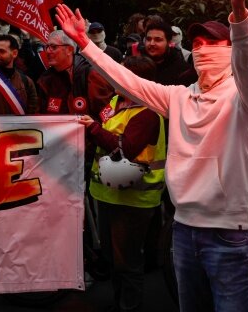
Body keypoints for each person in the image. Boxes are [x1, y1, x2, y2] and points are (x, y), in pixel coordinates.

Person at [56, 0, 248, 311]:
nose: (201, 50)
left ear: (228, 50)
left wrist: (238, 11)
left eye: (212, 43)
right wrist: (85, 45)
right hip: (183, 230)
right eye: (196, 43)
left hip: (229, 234)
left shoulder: (246, 98)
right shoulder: (179, 97)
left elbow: (247, 62)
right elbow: (130, 83)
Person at [78, 55, 166, 312]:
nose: (114, 77)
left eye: (121, 74)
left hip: (133, 201)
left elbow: (124, 148)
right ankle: (121, 302)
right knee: (114, 258)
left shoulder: (147, 113)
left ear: (136, 82)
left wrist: (93, 128)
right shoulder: (117, 102)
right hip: (109, 195)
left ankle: (130, 305)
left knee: (126, 262)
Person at [36, 29, 112, 118]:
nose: (48, 51)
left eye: (53, 47)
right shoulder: (45, 79)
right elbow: (41, 115)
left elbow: (107, 116)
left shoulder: (90, 74)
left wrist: (92, 127)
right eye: (47, 47)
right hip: (55, 130)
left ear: (69, 50)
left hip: (89, 130)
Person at [142, 20, 191, 86]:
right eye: (148, 39)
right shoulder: (137, 66)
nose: (152, 43)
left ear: (169, 42)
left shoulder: (183, 72)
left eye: (158, 40)